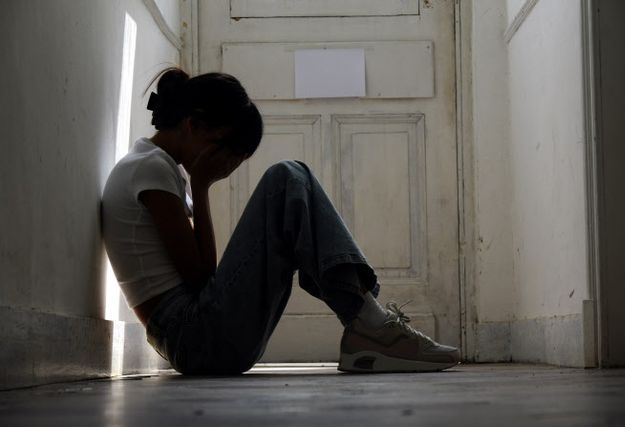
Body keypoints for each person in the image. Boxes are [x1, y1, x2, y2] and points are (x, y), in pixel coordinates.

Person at [101, 68, 460, 375]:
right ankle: (372, 325)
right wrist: (202, 186)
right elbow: (199, 279)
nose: (227, 168)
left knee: (291, 180)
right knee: (286, 177)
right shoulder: (150, 168)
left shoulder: (154, 166)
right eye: (225, 152)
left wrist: (198, 185)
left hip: (198, 338)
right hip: (192, 338)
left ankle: (369, 323)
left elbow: (200, 278)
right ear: (193, 125)